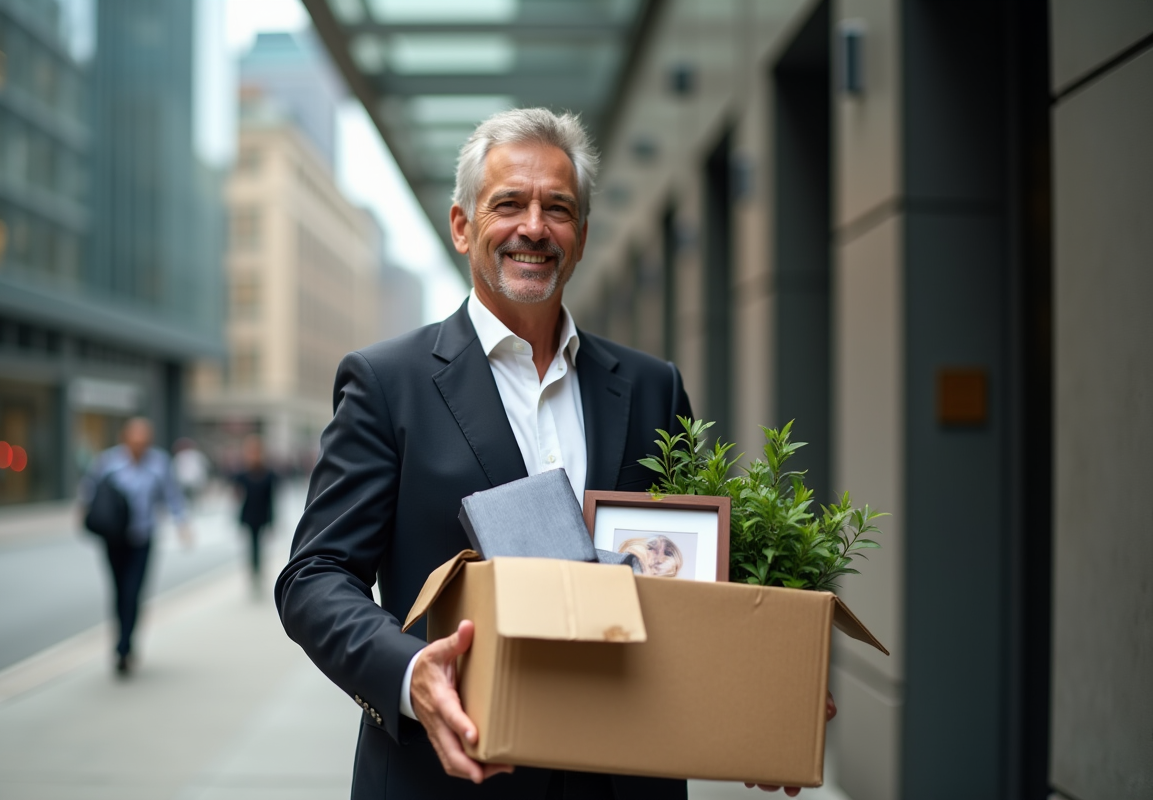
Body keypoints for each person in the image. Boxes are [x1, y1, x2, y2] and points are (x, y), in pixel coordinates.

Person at [275, 108, 830, 799]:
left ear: (583, 234)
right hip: (446, 777)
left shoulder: (653, 387)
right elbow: (315, 576)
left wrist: (760, 686)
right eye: (508, 203)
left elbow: (696, 572)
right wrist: (407, 671)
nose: (534, 227)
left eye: (557, 208)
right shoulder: (387, 384)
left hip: (626, 780)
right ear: (461, 226)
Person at [80, 417, 190, 676]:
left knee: (133, 592)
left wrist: (181, 522)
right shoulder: (108, 463)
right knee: (118, 591)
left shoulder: (159, 464)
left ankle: (124, 648)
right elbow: (89, 491)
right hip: (114, 539)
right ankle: (122, 641)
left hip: (142, 538)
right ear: (125, 439)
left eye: (144, 441)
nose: (139, 446)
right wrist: (85, 513)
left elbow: (171, 495)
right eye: (135, 441)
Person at [232, 434, 277, 590]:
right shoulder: (242, 474)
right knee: (252, 546)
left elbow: (272, 500)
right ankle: (254, 572)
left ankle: (258, 571)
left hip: (262, 514)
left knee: (259, 545)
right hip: (249, 514)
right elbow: (237, 495)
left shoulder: (268, 474)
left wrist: (273, 520)